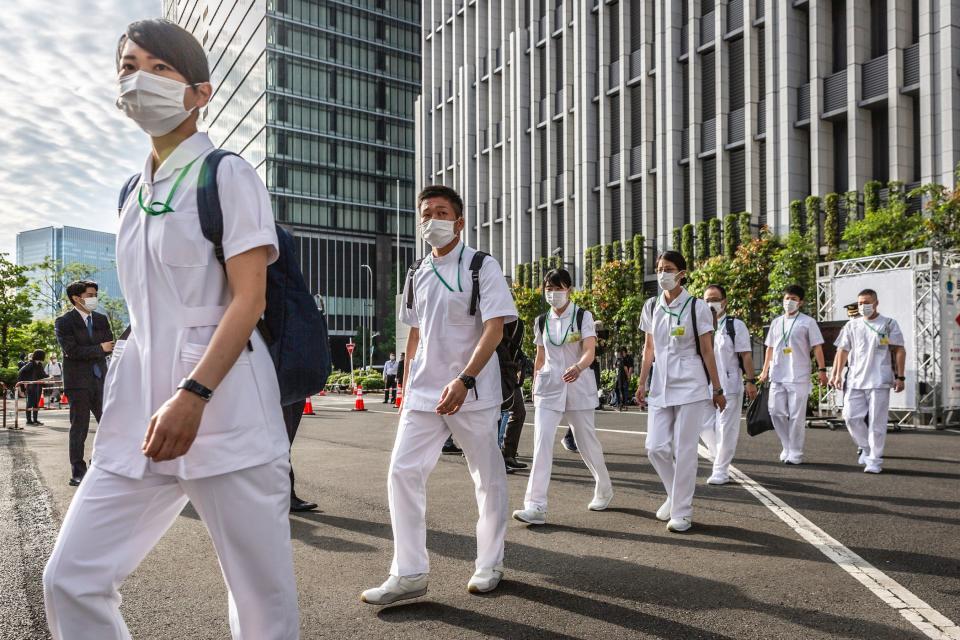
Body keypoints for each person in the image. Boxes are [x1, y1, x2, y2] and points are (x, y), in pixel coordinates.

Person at [42, 20, 298, 640]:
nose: (139, 79)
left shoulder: (226, 174)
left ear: (199, 92)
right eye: (129, 66)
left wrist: (194, 394)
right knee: (70, 578)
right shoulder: (132, 193)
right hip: (139, 413)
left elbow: (248, 298)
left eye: (160, 68)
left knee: (259, 601)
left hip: (224, 404)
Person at [361, 184, 518, 605]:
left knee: (487, 477)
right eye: (426, 213)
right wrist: (405, 389)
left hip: (472, 390)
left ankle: (489, 562)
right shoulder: (416, 272)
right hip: (423, 393)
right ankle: (409, 571)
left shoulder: (481, 266)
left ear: (459, 221)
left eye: (442, 212)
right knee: (402, 471)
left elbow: (495, 327)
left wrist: (465, 379)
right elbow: (414, 336)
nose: (432, 220)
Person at [512, 269, 613, 526]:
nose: (552, 293)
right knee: (542, 443)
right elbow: (540, 356)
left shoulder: (582, 316)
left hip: (578, 385)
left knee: (585, 441)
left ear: (569, 289)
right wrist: (534, 383)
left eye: (558, 288)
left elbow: (589, 351)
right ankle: (535, 506)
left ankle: (604, 486)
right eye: (548, 288)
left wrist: (578, 367)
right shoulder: (541, 320)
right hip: (548, 387)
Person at [636, 251, 726, 533]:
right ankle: (675, 496)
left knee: (685, 450)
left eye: (669, 268)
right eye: (660, 268)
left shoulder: (697, 307)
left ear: (682, 273)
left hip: (691, 385)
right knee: (655, 447)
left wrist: (717, 387)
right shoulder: (651, 306)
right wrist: (641, 382)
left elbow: (708, 350)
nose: (663, 273)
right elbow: (648, 348)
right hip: (661, 385)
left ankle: (682, 512)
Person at [830, 289, 906, 474]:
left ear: (876, 303)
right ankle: (866, 448)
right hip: (856, 379)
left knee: (877, 423)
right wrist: (836, 373)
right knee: (850, 417)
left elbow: (899, 350)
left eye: (867, 302)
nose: (863, 306)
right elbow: (842, 350)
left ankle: (874, 460)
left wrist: (900, 376)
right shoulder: (852, 325)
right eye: (860, 303)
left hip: (879, 380)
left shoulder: (888, 324)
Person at [758, 285, 827, 465]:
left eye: (794, 299)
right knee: (775, 411)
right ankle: (787, 445)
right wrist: (765, 371)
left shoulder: (808, 322)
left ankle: (795, 451)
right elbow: (770, 349)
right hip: (778, 374)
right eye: (787, 298)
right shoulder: (776, 322)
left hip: (798, 375)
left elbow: (817, 347)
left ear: (800, 302)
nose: (789, 302)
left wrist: (821, 370)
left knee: (796, 415)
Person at [54, 280, 114, 486]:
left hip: (100, 380)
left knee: (109, 425)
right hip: (77, 382)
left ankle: (102, 464)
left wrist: (99, 348)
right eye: (90, 294)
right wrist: (99, 348)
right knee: (79, 427)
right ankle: (78, 472)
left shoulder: (101, 319)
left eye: (95, 294)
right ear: (76, 298)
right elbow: (72, 350)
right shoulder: (64, 322)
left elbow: (110, 344)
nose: (94, 298)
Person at [699, 284, 757, 485]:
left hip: (729, 384)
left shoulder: (735, 325)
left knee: (725, 428)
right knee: (703, 425)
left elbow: (746, 355)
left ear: (724, 301)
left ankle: (721, 470)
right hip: (704, 385)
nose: (710, 303)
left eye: (714, 299)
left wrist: (750, 381)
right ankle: (719, 458)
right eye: (706, 300)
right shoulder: (700, 325)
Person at [497, 315, 528, 472]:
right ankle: (496, 460)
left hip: (509, 372)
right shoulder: (493, 318)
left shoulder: (516, 321)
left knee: (519, 412)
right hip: (494, 371)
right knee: (495, 415)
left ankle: (508, 454)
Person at [282, 400, 319, 511]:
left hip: (296, 389)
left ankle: (285, 496)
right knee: (281, 448)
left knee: (284, 447)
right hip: (276, 389)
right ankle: (287, 497)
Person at [18, 350, 50, 426]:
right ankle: (29, 420)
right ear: (40, 356)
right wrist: (24, 384)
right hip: (31, 386)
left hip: (38, 386)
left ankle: (35, 420)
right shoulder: (30, 364)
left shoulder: (39, 364)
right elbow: (21, 372)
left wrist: (49, 376)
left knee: (36, 403)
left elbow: (42, 375)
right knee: (30, 403)